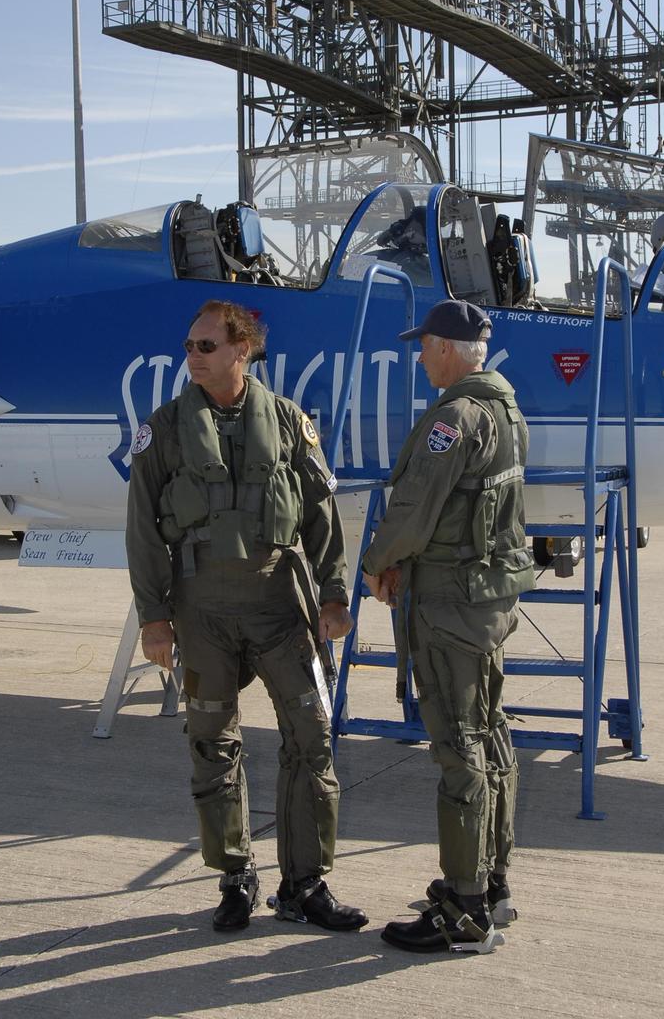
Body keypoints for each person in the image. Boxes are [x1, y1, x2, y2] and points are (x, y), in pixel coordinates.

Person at [126, 299, 367, 934]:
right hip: (201, 613)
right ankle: (234, 876)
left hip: (282, 609)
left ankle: (305, 884)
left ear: (243, 349)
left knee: (311, 738)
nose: (192, 356)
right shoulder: (165, 429)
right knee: (212, 743)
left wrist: (335, 597)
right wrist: (154, 618)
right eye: (188, 345)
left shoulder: (289, 424)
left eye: (206, 346)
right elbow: (143, 532)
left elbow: (322, 518)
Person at [361, 299, 534, 953]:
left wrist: (379, 562)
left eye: (425, 344)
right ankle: (491, 885)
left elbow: (414, 508)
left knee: (458, 748)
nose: (419, 355)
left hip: (449, 606)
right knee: (489, 738)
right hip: (485, 602)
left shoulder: (455, 416)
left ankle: (464, 910)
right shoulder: (505, 408)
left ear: (446, 347)